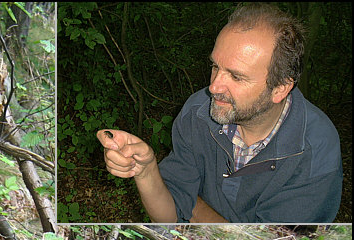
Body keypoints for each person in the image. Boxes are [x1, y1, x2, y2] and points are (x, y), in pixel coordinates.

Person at [97, 3, 342, 223]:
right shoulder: (199, 111)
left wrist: (194, 208)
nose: (214, 87)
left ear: (280, 88)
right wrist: (147, 171)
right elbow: (169, 216)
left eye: (236, 76)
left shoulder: (316, 150)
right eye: (215, 66)